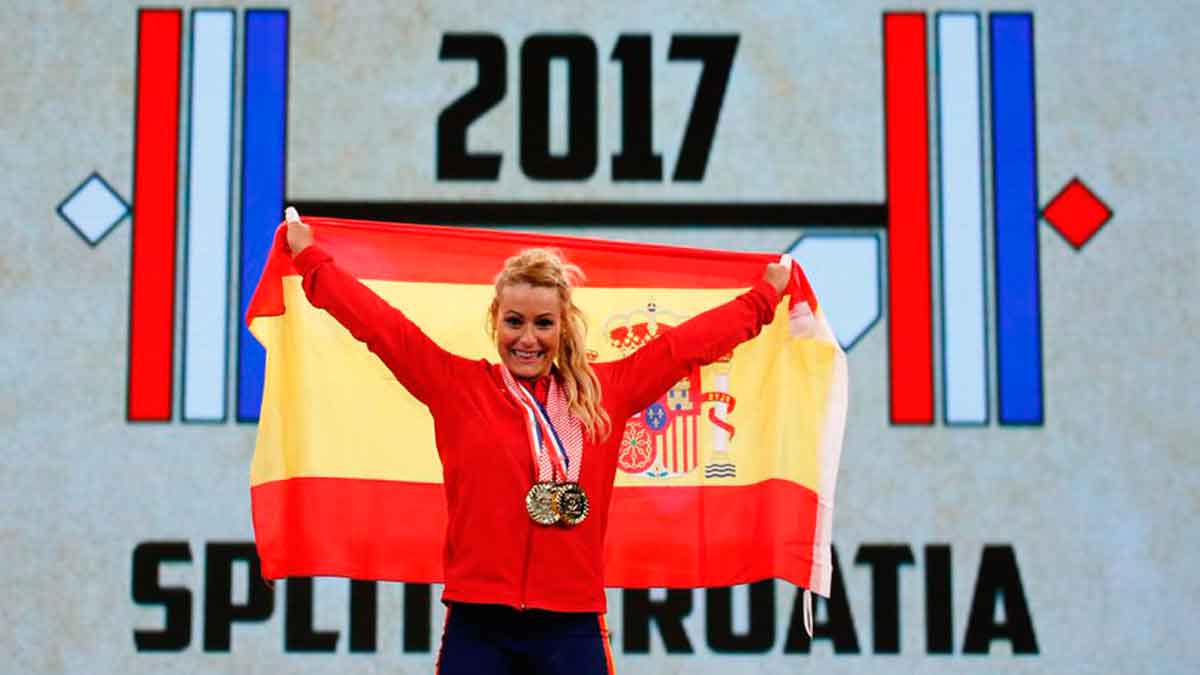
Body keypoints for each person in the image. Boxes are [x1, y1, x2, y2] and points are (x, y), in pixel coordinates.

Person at [284, 213, 790, 675]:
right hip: (478, 626)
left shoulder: (609, 392)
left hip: (570, 628)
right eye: (515, 321)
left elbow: (685, 346)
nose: (527, 338)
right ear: (495, 320)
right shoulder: (454, 387)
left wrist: (764, 298)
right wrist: (311, 260)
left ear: (563, 325)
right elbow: (381, 327)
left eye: (543, 323)